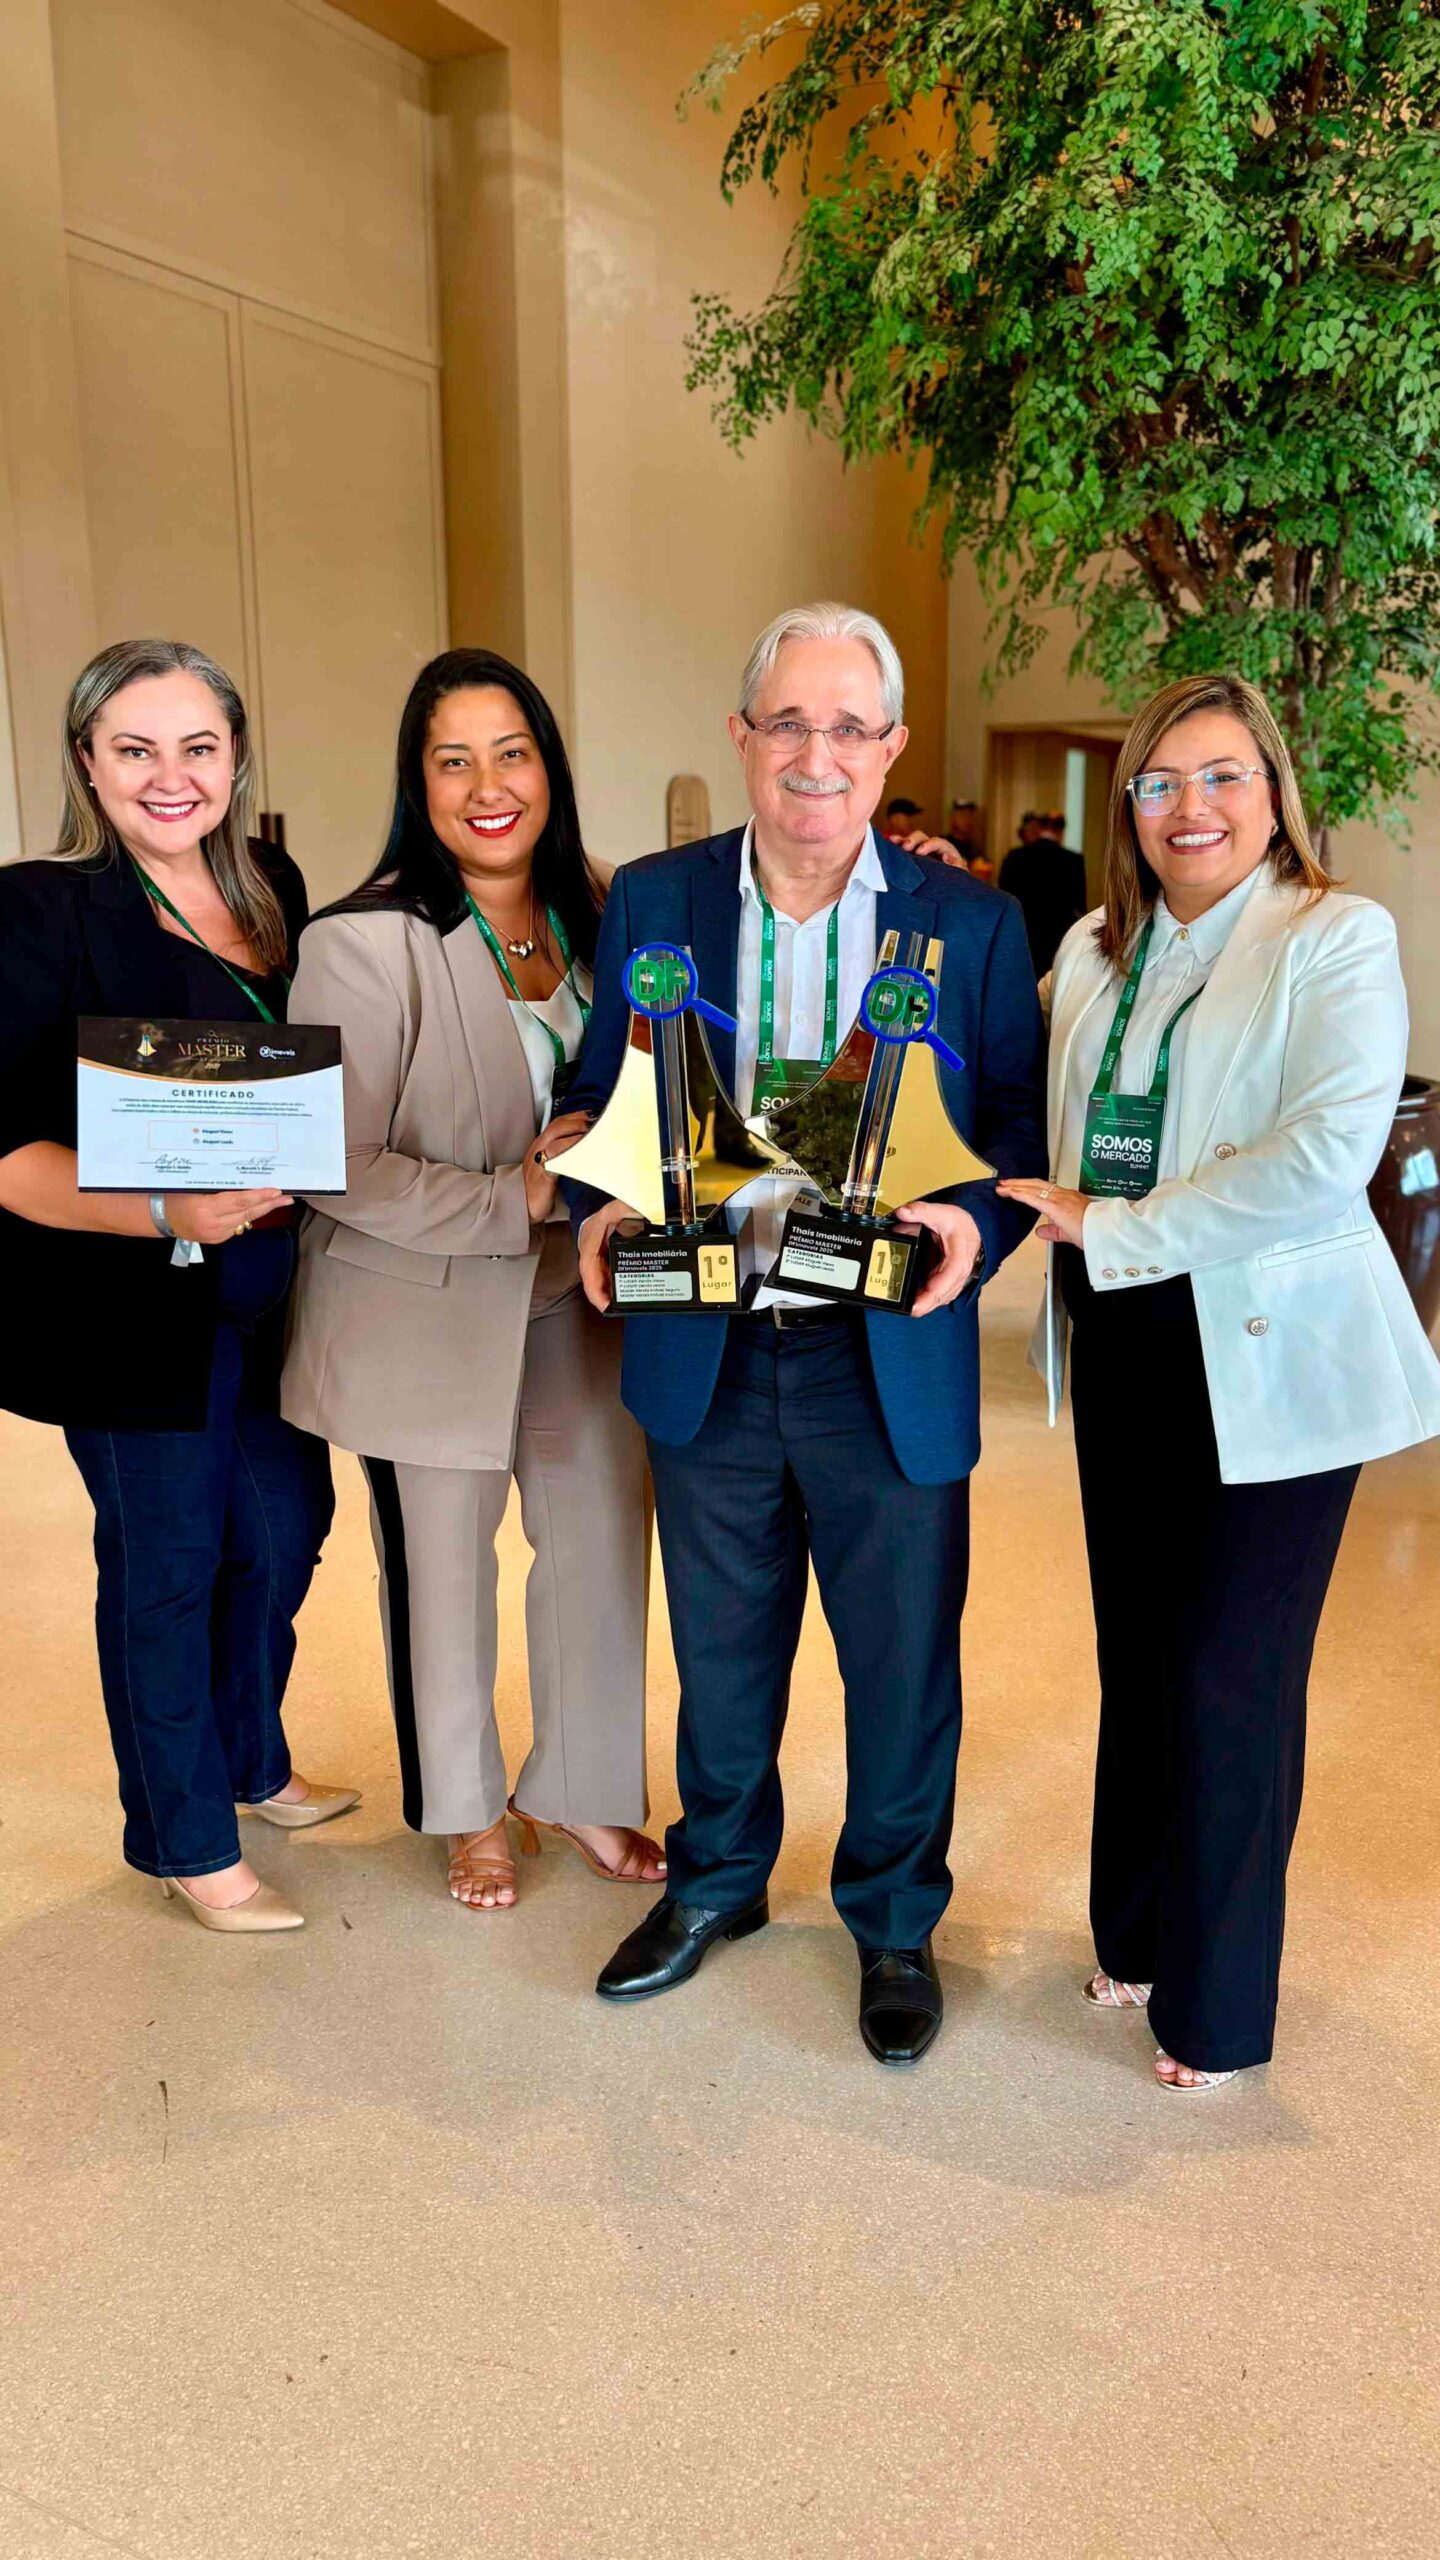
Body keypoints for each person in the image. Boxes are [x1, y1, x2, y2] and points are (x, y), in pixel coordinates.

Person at [565, 601, 1046, 2064]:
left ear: (890, 747)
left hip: (881, 1351)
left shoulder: (970, 924)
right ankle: (717, 1883)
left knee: (901, 1666)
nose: (815, 755)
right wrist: (595, 1204)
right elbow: (598, 1099)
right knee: (720, 1655)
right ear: (742, 737)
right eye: (788, 722)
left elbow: (1013, 1130)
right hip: (705, 1338)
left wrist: (975, 1224)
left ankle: (893, 1920)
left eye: (848, 726)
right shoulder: (654, 901)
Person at [998, 672, 1440, 2089]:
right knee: (1139, 1654)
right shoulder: (1092, 949)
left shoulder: (1334, 936)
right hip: (1124, 1337)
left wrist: (1117, 1225)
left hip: (1267, 1345)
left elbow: (1323, 1155)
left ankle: (1219, 2007)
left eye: (1222, 776)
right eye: (1160, 782)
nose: (1190, 806)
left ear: (1272, 794)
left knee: (1231, 1674)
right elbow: (1030, 1094)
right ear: (1127, 804)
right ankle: (1134, 1938)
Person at [283, 648, 661, 1914]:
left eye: (512, 754)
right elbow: (334, 1163)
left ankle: (586, 1785)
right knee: (443, 1565)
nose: (488, 787)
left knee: (599, 1530)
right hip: (421, 1298)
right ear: (418, 782)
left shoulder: (607, 914)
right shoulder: (361, 941)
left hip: (581, 1292)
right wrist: (521, 1193)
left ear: (550, 768)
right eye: (454, 761)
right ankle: (467, 1807)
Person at [0, 639, 349, 1934]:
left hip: (267, 1291)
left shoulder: (273, 891)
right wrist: (161, 1211)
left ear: (236, 756)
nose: (171, 776)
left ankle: (250, 1758)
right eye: (135, 748)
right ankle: (186, 1837)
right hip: (125, 1309)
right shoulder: (37, 911)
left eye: (198, 747)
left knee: (285, 1528)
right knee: (170, 1563)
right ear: (86, 763)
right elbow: (6, 1157)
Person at [998, 812, 1087, 978]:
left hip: (1023, 937)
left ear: (1039, 828)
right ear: (1061, 831)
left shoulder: (1015, 857)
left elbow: (1002, 899)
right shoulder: (1074, 860)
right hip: (1058, 941)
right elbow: (1080, 906)